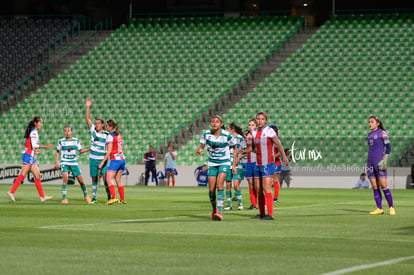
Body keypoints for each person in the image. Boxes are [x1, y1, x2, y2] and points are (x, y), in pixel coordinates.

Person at [241, 112, 288, 220]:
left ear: (265, 121)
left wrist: (284, 157)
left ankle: (270, 214)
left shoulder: (269, 131)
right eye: (258, 119)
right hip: (257, 164)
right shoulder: (254, 132)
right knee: (258, 189)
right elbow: (252, 147)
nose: (260, 121)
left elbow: (278, 144)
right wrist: (243, 151)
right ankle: (261, 213)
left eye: (262, 119)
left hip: (268, 163)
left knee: (266, 188)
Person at [196, 115, 237, 221]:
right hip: (212, 163)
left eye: (217, 122)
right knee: (211, 190)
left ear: (221, 124)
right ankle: (214, 209)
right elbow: (202, 146)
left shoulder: (227, 135)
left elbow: (234, 148)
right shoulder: (206, 134)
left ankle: (219, 212)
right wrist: (199, 150)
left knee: (220, 185)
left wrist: (233, 164)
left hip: (224, 162)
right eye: (212, 121)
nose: (214, 123)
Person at [7, 117, 54, 202]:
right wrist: (45, 146)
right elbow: (34, 144)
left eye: (42, 123)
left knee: (37, 175)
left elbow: (30, 145)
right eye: (40, 122)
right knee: (23, 174)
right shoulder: (34, 132)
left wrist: (35, 150)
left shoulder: (33, 131)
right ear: (35, 123)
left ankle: (42, 197)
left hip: (30, 155)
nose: (41, 124)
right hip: (28, 155)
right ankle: (11, 192)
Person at [55, 126, 91, 204]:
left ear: (71, 132)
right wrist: (56, 162)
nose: (67, 132)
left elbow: (80, 150)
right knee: (65, 179)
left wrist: (89, 149)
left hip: (73, 162)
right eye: (65, 131)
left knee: (81, 181)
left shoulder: (76, 141)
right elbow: (57, 151)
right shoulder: (61, 141)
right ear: (63, 132)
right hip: (64, 162)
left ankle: (86, 196)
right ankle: (64, 198)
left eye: (68, 131)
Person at [367, 115, 395, 215]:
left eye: (372, 122)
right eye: (369, 122)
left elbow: (388, 148)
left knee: (384, 185)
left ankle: (391, 207)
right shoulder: (369, 135)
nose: (370, 124)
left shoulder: (382, 133)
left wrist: (385, 160)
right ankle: (379, 208)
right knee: (374, 186)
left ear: (378, 123)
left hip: (380, 162)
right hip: (370, 163)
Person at [85, 98, 111, 203]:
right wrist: (88, 107)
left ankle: (109, 196)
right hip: (93, 159)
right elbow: (87, 119)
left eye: (98, 123)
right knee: (94, 178)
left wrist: (105, 160)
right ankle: (94, 197)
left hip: (102, 159)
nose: (96, 125)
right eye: (95, 123)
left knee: (105, 179)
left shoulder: (106, 134)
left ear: (102, 125)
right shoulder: (93, 132)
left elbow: (109, 147)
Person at [99, 119, 126, 205]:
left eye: (106, 126)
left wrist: (102, 162)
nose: (105, 127)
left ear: (110, 127)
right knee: (118, 180)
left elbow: (109, 150)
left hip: (115, 160)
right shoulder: (118, 134)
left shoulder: (110, 136)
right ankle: (122, 199)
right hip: (122, 159)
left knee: (108, 179)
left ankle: (113, 197)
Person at [225, 122, 246, 211]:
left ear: (232, 129)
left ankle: (240, 204)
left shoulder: (240, 138)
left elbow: (245, 150)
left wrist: (238, 158)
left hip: (238, 165)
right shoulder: (226, 138)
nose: (227, 130)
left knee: (236, 184)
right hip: (227, 164)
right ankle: (229, 205)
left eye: (228, 128)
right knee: (228, 185)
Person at [244, 119, 258, 210]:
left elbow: (257, 149)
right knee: (250, 184)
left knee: (258, 185)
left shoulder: (258, 136)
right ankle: (254, 204)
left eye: (252, 125)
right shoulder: (248, 136)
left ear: (256, 126)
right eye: (249, 125)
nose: (250, 126)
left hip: (257, 162)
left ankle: (262, 203)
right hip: (249, 162)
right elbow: (247, 148)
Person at [269, 124, 282, 203]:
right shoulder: (268, 139)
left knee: (274, 180)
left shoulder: (276, 140)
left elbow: (280, 152)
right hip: (269, 163)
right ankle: (270, 196)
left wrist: (273, 157)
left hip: (276, 163)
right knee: (269, 180)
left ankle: (275, 198)